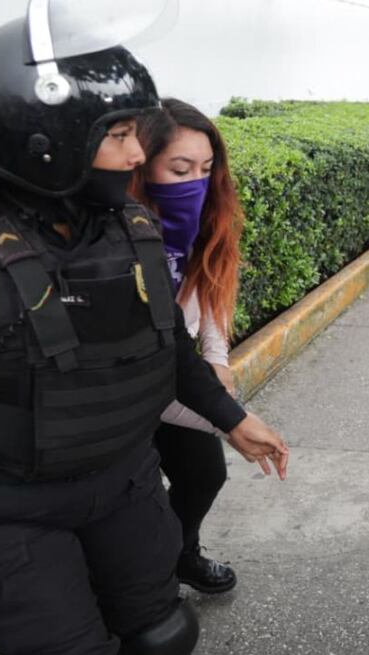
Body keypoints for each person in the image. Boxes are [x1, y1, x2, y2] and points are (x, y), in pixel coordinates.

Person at [0, 11, 289, 655]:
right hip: (11, 508)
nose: (137, 156)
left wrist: (232, 420)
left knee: (164, 638)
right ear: (48, 133)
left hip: (125, 484)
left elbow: (166, 343)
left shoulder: (122, 223)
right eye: (121, 134)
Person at [131, 98, 244, 595]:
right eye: (180, 169)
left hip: (179, 373)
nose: (195, 182)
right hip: (127, 386)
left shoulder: (205, 216)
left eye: (205, 168)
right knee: (136, 498)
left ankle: (181, 554)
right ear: (143, 163)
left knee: (204, 472)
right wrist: (228, 419)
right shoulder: (116, 229)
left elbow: (211, 290)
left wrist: (216, 359)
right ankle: (146, 582)